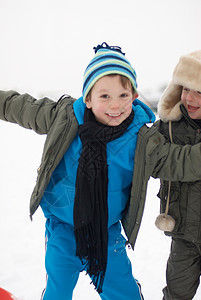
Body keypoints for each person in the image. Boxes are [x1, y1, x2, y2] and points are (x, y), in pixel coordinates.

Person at [1, 43, 201, 300]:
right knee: (57, 291)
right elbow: (20, 107)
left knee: (124, 293)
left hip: (106, 235)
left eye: (123, 96)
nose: (115, 106)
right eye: (105, 96)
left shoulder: (143, 141)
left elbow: (181, 160)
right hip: (62, 230)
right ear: (88, 98)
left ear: (134, 96)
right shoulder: (65, 118)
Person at [155, 50, 201, 299]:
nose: (190, 98)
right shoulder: (168, 127)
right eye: (185, 89)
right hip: (184, 236)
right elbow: (151, 159)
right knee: (176, 294)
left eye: (199, 92)